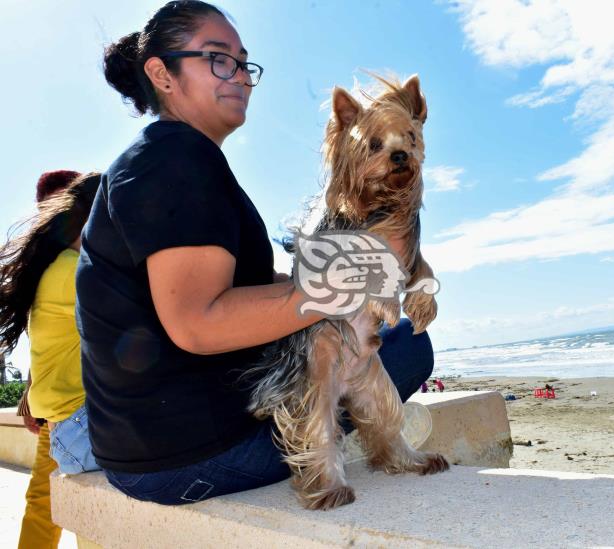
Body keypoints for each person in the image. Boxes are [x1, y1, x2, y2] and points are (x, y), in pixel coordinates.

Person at [77, 0, 435, 506]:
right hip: (189, 455)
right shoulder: (173, 162)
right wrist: (341, 287)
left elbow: (243, 287)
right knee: (410, 346)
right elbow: (197, 323)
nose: (240, 76)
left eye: (245, 63)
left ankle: (376, 434)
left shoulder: (167, 156)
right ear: (161, 73)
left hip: (149, 445)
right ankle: (373, 444)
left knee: (370, 340)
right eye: (219, 59)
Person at [1, 171, 101, 549]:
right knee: (46, 502)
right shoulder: (68, 268)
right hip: (67, 409)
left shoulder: (59, 263)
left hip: (61, 407)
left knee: (64, 503)